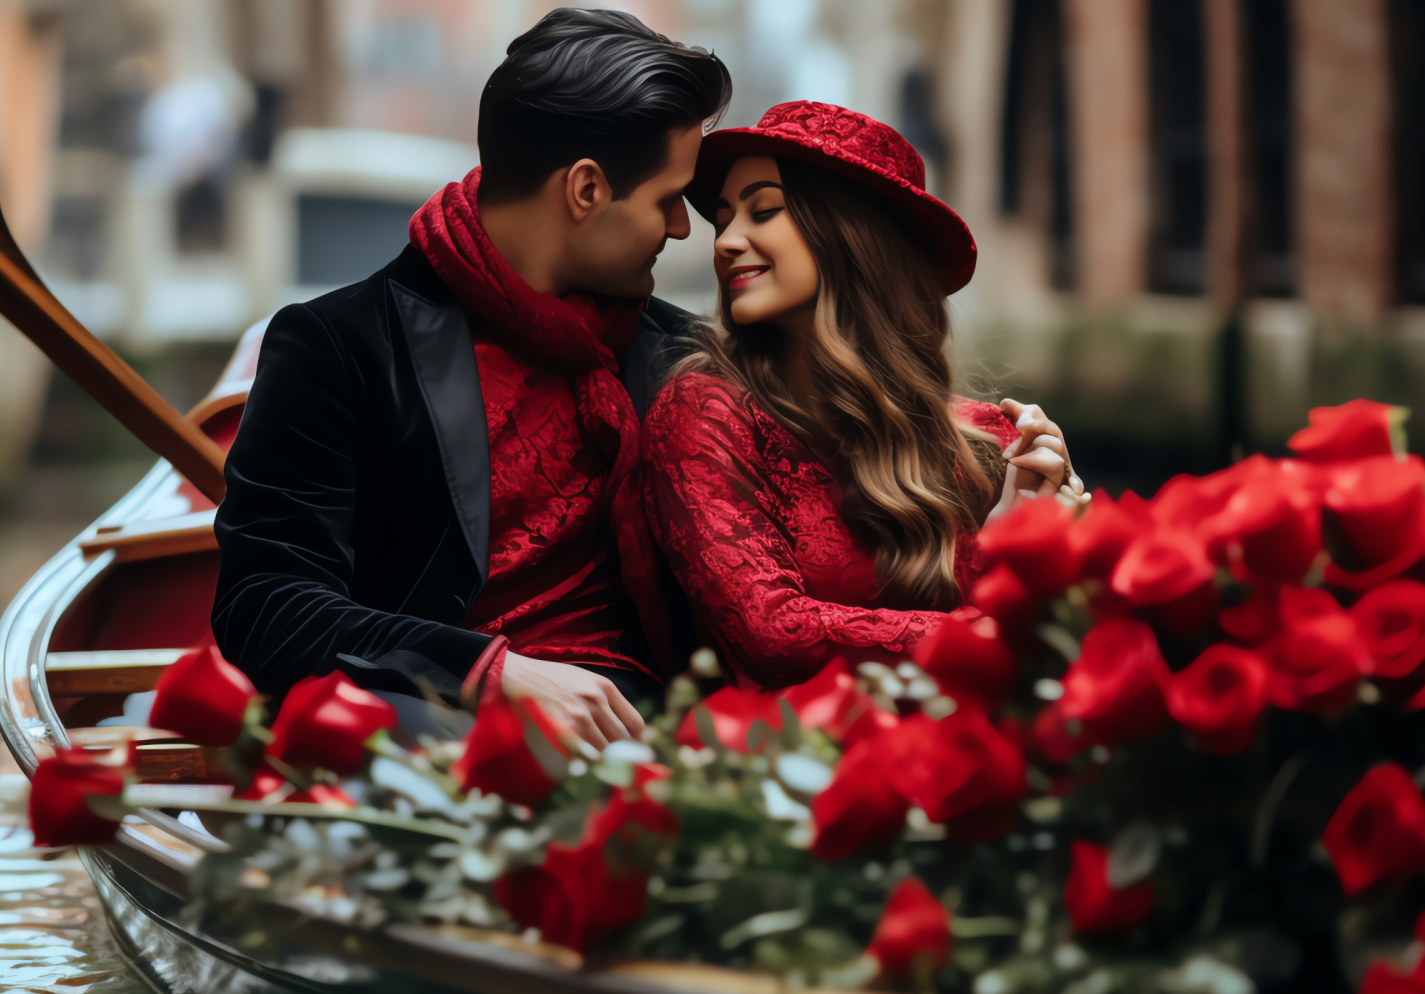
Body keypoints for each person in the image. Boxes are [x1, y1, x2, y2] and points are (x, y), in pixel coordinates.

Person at [213, 11, 730, 748]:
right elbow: (263, 608)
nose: (682, 227)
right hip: (435, 738)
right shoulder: (339, 346)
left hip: (658, 729)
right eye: (666, 198)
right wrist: (491, 672)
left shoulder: (682, 352)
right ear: (585, 190)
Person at [641, 102, 1083, 689]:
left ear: (849, 235)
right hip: (788, 762)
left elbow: (1065, 640)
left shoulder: (993, 444)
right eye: (724, 220)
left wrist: (1040, 540)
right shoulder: (704, 411)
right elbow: (772, 633)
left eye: (764, 210)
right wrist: (997, 628)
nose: (726, 241)